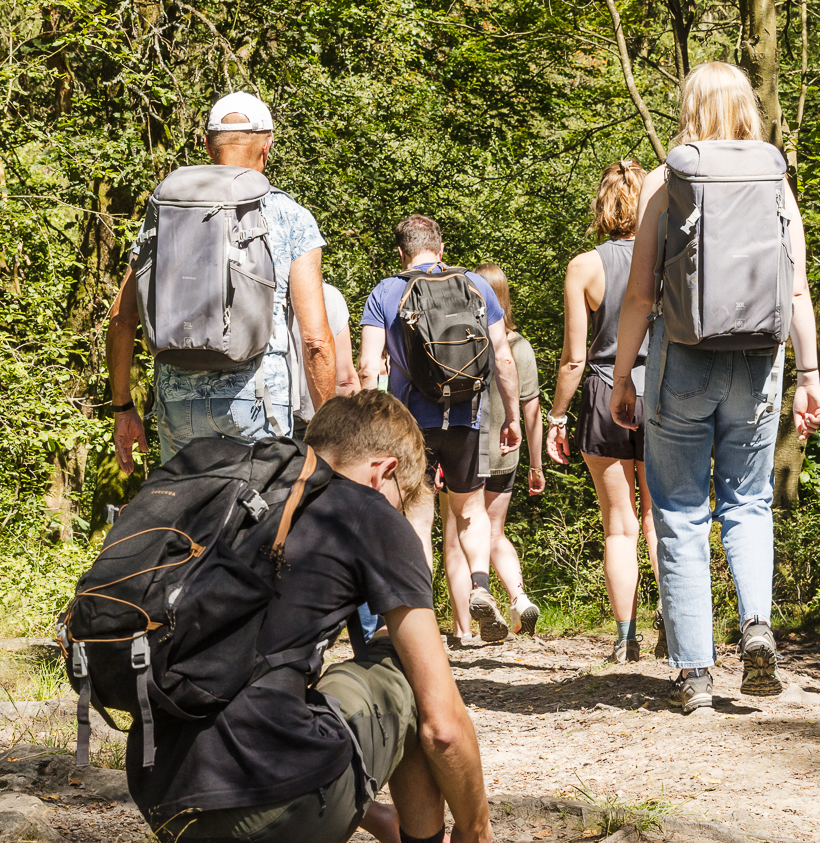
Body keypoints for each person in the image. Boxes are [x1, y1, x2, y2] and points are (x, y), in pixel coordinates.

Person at [137, 392, 493, 843]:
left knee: (268, 695)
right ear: (386, 471)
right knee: (401, 662)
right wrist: (473, 820)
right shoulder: (367, 512)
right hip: (285, 821)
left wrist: (377, 817)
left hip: (165, 807)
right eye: (402, 499)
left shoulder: (238, 500)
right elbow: (442, 724)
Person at [611, 63, 820, 714]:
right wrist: (809, 377)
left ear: (690, 107)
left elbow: (641, 293)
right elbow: (795, 290)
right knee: (750, 503)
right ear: (747, 108)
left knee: (679, 512)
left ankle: (696, 673)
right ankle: (756, 624)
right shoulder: (774, 178)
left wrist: (623, 375)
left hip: (683, 360)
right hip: (760, 365)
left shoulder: (666, 178)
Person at [109, 91, 340, 472]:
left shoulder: (165, 209)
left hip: (177, 402)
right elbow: (316, 340)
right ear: (267, 146)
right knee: (261, 525)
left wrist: (123, 408)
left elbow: (121, 318)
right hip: (258, 402)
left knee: (187, 524)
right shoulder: (289, 215)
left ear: (206, 145)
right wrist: (329, 435)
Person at [357, 215, 521, 647]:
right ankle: (481, 585)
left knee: (418, 517)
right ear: (440, 248)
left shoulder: (386, 291)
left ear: (401, 252)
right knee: (470, 512)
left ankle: (420, 614)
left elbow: (367, 367)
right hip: (467, 417)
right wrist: (513, 418)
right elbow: (502, 357)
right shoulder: (475, 286)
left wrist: (371, 424)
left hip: (410, 426)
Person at [546, 161, 660, 663]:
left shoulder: (584, 266)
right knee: (663, 521)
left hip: (601, 394)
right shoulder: (669, 258)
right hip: (662, 391)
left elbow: (574, 356)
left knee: (619, 525)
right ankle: (677, 630)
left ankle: (624, 638)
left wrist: (556, 418)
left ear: (602, 204)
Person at [470, 263, 544, 634]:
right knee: (495, 531)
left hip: (466, 450)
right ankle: (519, 598)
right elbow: (531, 410)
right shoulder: (520, 347)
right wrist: (537, 463)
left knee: (461, 533)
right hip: (505, 453)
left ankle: (470, 619)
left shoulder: (462, 343)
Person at [294, 280, 362, 428]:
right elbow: (346, 379)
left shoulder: (260, 290)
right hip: (319, 423)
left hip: (265, 417)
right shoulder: (330, 295)